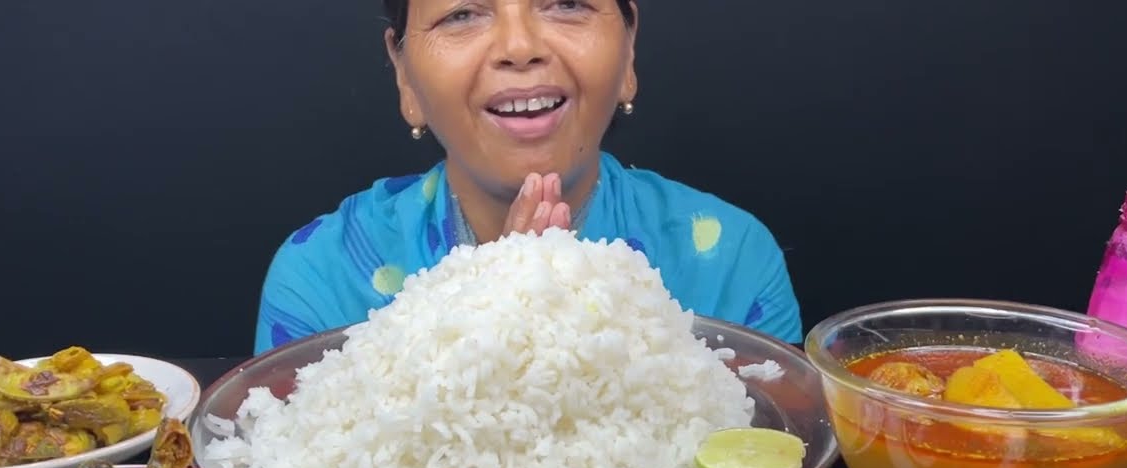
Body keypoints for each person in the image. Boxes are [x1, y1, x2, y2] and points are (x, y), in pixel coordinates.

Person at [255, 0, 801, 355]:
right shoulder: (321, 277)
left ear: (629, 48)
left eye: (567, 4)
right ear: (404, 74)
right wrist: (500, 309)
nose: (520, 48)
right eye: (462, 14)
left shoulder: (732, 262)